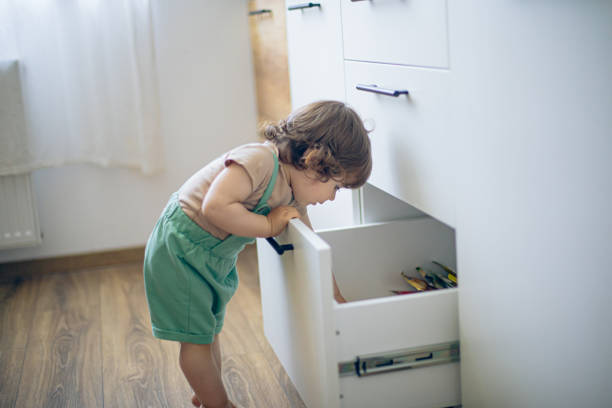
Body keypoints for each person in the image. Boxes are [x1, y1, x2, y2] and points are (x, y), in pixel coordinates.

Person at [143, 100, 372, 408]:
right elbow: (215, 206)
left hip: (210, 255)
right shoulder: (259, 160)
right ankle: (218, 403)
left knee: (209, 331)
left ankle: (207, 389)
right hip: (180, 248)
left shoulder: (293, 192)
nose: (332, 198)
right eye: (337, 187)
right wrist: (267, 224)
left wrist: (336, 296)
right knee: (196, 339)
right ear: (316, 165)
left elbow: (314, 249)